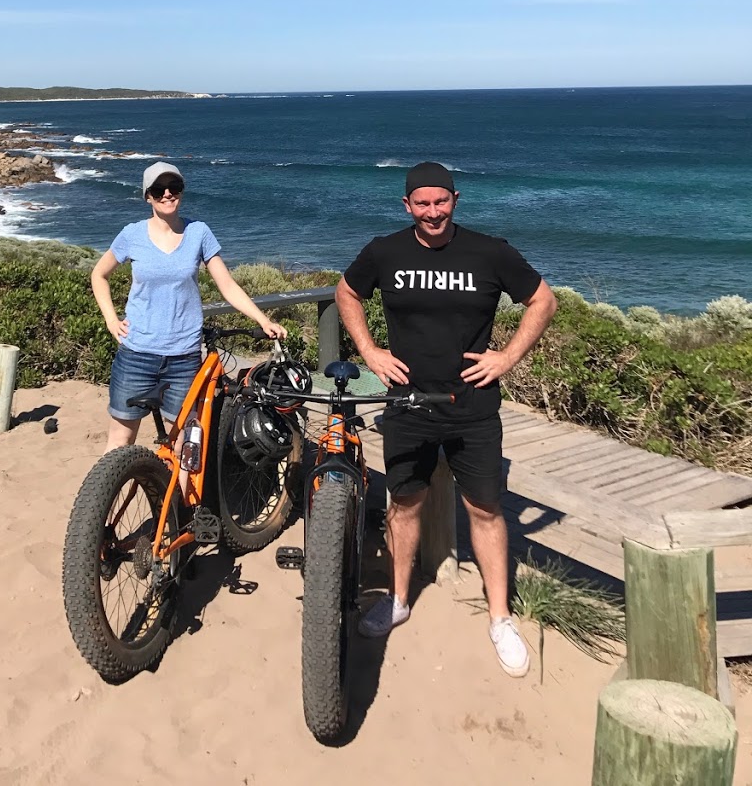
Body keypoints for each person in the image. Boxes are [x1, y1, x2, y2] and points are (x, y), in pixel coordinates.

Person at [335, 161, 557, 677]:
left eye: (441, 201)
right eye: (422, 203)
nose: (432, 212)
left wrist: (507, 357)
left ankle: (500, 618)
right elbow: (348, 292)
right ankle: (397, 600)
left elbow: (542, 300)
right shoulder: (384, 250)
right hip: (407, 406)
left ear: (455, 200)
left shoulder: (490, 251)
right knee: (405, 504)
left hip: (473, 409)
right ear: (407, 206)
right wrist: (369, 351)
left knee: (485, 509)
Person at [91, 162, 287, 451]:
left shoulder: (199, 232)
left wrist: (262, 319)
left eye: (174, 188)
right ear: (148, 196)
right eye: (159, 190)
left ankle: (180, 498)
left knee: (184, 443)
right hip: (136, 354)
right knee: (120, 440)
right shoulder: (132, 234)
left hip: (183, 358)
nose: (168, 194)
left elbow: (227, 285)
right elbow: (99, 274)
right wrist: (110, 319)